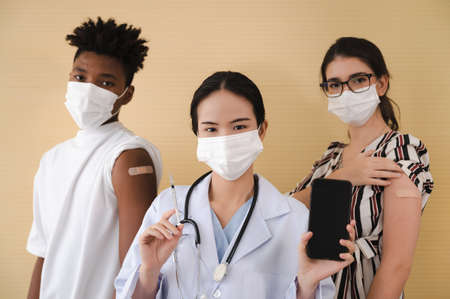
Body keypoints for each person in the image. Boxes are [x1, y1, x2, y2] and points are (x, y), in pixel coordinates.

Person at [115, 71, 356, 299]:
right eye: (211, 129)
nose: (225, 139)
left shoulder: (295, 219)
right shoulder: (167, 206)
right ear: (197, 135)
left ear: (262, 130)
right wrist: (149, 271)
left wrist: (306, 285)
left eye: (239, 127)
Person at [26, 17, 162, 299]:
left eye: (106, 82)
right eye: (80, 77)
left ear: (127, 94)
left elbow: (134, 266)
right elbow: (43, 256)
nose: (89, 89)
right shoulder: (51, 160)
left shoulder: (128, 157)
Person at [290, 37, 434, 299]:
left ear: (381, 83)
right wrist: (344, 176)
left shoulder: (398, 152)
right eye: (334, 85)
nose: (345, 92)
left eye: (357, 80)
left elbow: (397, 264)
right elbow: (284, 212)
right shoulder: (330, 159)